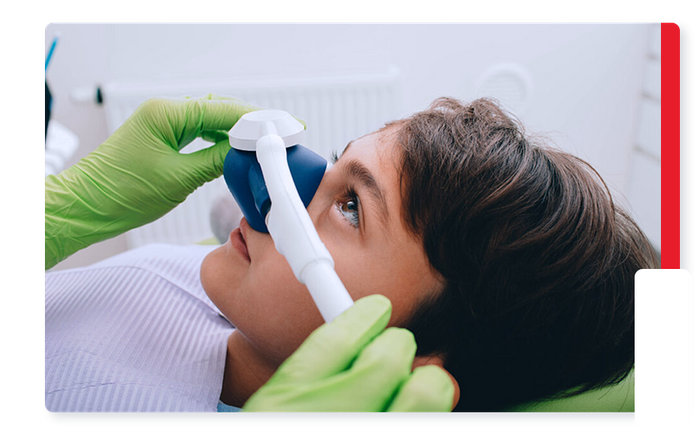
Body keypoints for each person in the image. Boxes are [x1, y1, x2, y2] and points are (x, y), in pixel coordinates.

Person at [42, 94, 657, 413]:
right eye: (337, 163)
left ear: (408, 360)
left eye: (353, 206)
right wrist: (54, 217)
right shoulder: (219, 292)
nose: (289, 180)